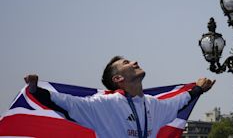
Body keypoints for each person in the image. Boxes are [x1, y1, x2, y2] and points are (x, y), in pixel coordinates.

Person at [24, 55, 215, 138]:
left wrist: (198, 89)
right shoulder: (104, 105)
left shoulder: (153, 105)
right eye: (127, 62)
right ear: (118, 78)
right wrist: (35, 90)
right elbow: (66, 103)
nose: (135, 61)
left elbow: (179, 102)